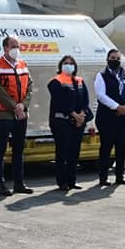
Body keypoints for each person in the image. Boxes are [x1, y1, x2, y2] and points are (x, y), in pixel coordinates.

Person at [0, 35, 33, 196]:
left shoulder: (23, 64)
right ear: (5, 48)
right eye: (13, 46)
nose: (16, 49)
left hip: (21, 114)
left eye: (18, 46)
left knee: (19, 149)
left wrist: (23, 105)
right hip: (4, 114)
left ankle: (19, 183)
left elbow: (30, 86)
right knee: (0, 149)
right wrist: (15, 107)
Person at [94, 49, 125, 186]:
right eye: (113, 58)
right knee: (106, 147)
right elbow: (101, 95)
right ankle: (103, 177)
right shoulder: (101, 75)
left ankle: (120, 175)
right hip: (107, 117)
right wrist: (116, 107)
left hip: (124, 117)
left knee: (121, 147)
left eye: (118, 58)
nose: (115, 60)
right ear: (107, 59)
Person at [48, 55, 92, 191]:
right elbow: (60, 102)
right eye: (66, 63)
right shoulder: (55, 82)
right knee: (62, 152)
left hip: (78, 122)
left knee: (74, 152)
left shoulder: (79, 81)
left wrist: (82, 115)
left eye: (71, 63)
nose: (68, 65)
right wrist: (74, 115)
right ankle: (62, 182)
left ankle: (72, 180)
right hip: (61, 122)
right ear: (61, 66)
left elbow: (85, 100)